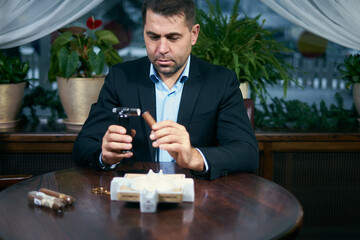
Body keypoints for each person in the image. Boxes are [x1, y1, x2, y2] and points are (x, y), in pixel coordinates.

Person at [72, 0, 259, 180]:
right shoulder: (120, 77)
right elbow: (83, 146)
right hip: (134, 197)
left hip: (196, 198)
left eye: (173, 37)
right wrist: (104, 157)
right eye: (153, 37)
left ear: (194, 34)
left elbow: (247, 153)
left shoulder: (221, 82)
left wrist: (194, 157)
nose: (162, 49)